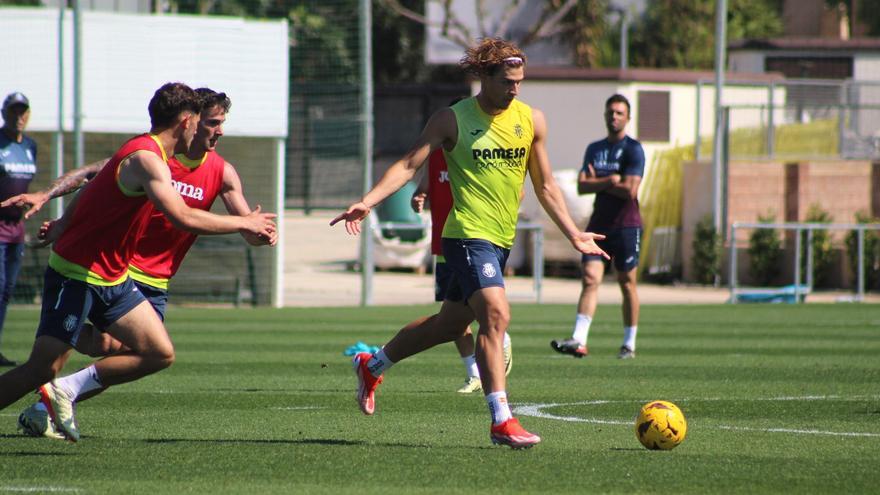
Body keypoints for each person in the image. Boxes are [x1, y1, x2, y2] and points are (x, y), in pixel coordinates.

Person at [331, 38, 608, 449]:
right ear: (483, 77)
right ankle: (501, 419)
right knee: (495, 313)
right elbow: (410, 163)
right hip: (465, 234)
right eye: (507, 82)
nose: (515, 89)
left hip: (500, 240)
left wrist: (573, 233)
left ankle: (373, 364)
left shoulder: (532, 120)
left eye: (520, 82)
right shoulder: (452, 119)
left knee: (450, 324)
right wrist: (367, 202)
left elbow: (545, 184)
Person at [0, 82, 277, 442]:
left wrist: (254, 228)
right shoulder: (145, 157)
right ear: (186, 121)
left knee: (157, 352)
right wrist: (244, 222)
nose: (215, 130)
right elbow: (179, 215)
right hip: (81, 273)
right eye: (206, 121)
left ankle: (62, 390)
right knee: (43, 367)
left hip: (115, 277)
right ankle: (55, 379)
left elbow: (95, 194)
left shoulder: (181, 161)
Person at [411, 143, 512, 394]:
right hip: (446, 244)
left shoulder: (478, 158)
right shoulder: (435, 158)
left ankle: (498, 340)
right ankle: (475, 371)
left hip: (474, 241)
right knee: (454, 318)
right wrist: (419, 196)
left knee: (477, 310)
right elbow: (423, 186)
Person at [551, 94, 645, 360]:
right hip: (598, 226)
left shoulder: (633, 150)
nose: (614, 117)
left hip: (627, 226)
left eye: (619, 113)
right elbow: (582, 186)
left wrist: (600, 180)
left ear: (628, 117)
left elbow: (630, 190)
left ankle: (629, 343)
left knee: (627, 283)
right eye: (610, 112)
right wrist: (611, 179)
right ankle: (579, 340)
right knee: (590, 279)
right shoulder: (594, 148)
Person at [0, 92, 37, 367]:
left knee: (7, 289)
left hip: (16, 228)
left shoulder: (30, 147)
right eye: (13, 111)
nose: (19, 116)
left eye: (23, 111)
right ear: (4, 113)